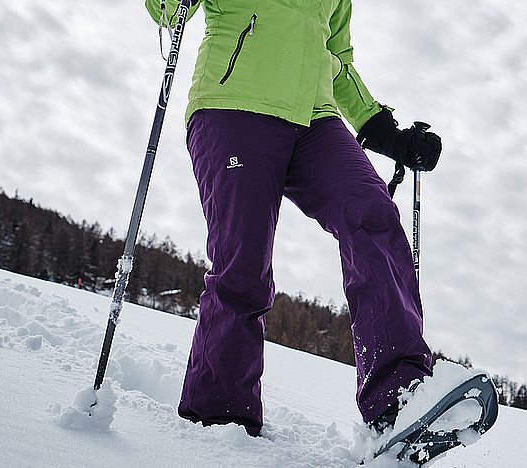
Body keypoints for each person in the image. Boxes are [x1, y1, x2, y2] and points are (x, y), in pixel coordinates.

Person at [143, 0, 443, 438]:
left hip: (315, 121)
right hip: (234, 105)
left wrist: (385, 133)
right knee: (244, 264)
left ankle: (400, 399)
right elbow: (165, 11)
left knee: (372, 214)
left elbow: (335, 62)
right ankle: (219, 419)